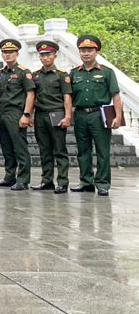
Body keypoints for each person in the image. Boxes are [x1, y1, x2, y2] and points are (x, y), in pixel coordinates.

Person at [70, 34, 122, 196]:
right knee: (83, 150)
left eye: (90, 50)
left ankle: (102, 183)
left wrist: (118, 116)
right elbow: (68, 97)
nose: (86, 53)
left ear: (96, 52)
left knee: (102, 150)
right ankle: (86, 181)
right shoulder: (74, 73)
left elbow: (115, 95)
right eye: (83, 50)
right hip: (80, 114)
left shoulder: (106, 72)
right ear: (79, 52)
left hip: (100, 114)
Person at [0, 39, 36, 191]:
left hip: (16, 113)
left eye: (11, 52)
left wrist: (26, 114)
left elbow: (30, 94)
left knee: (20, 147)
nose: (8, 55)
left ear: (17, 54)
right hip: (3, 114)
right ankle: (10, 176)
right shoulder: (2, 73)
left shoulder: (24, 72)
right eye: (5, 52)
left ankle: (23, 179)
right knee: (6, 147)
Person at [31, 41, 72, 194]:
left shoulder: (62, 75)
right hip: (40, 115)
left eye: (48, 54)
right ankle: (46, 180)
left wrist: (68, 116)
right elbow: (32, 96)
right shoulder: (35, 75)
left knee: (59, 150)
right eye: (42, 55)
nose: (45, 58)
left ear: (55, 55)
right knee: (44, 149)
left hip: (56, 114)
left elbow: (67, 97)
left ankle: (62, 182)